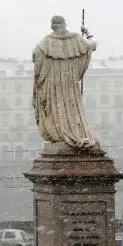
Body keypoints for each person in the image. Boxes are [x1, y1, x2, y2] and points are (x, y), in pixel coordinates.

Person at [32, 15, 98, 149]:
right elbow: (93, 45)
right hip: (69, 83)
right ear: (64, 24)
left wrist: (39, 81)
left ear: (52, 26)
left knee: (56, 109)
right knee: (71, 107)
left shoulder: (45, 43)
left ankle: (60, 134)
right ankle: (75, 132)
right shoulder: (75, 39)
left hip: (53, 85)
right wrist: (87, 33)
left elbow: (36, 58)